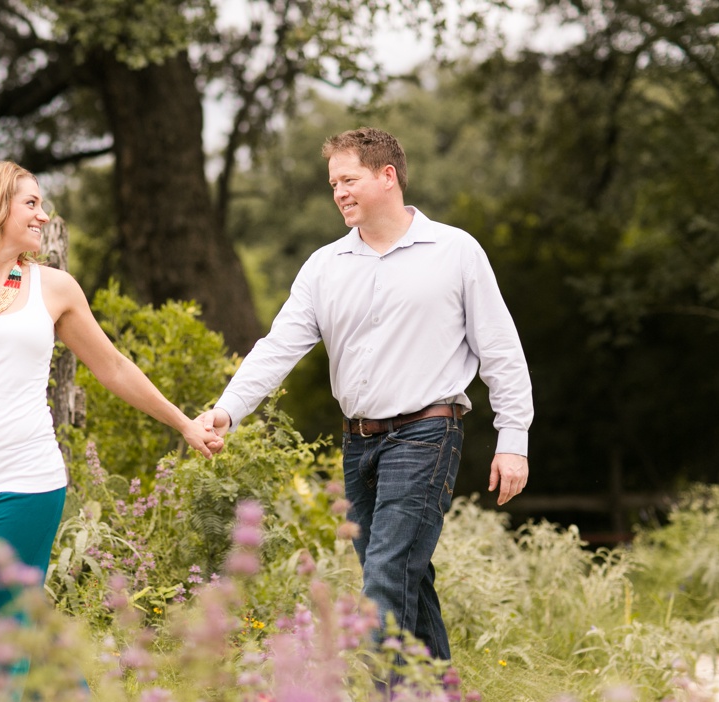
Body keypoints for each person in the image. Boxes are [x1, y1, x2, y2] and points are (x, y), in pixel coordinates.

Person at [0, 161, 223, 702]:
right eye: (32, 204)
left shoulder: (54, 288)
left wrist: (184, 423)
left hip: (28, 481)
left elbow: (112, 367)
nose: (44, 215)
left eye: (44, 204)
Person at [198, 127, 532, 662]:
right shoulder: (325, 267)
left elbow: (501, 351)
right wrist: (227, 410)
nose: (339, 193)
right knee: (405, 580)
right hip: (359, 444)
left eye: (348, 180)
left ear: (388, 176)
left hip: (428, 432)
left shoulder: (455, 251)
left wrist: (512, 438)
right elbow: (278, 347)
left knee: (385, 579)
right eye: (333, 184)